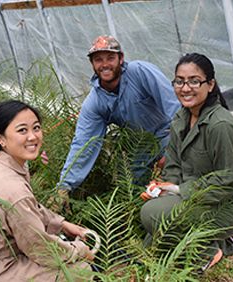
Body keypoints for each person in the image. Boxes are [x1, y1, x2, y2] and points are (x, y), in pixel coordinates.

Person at [0, 100, 94, 281]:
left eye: (36, 128)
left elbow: (30, 207)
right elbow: (41, 249)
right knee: (81, 270)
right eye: (22, 130)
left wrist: (62, 224)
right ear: (1, 138)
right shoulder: (11, 187)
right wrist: (80, 250)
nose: (33, 137)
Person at [140, 53, 233, 271]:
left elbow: (228, 181)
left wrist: (179, 189)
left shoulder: (221, 126)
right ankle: (224, 242)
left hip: (225, 205)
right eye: (179, 81)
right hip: (194, 198)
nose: (185, 88)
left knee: (151, 215)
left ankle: (210, 251)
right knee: (151, 243)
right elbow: (172, 163)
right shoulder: (181, 117)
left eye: (194, 81)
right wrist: (165, 189)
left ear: (210, 85)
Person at [54, 35, 181, 203]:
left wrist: (174, 150)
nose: (104, 64)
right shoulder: (95, 102)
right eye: (98, 60)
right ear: (92, 64)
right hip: (139, 147)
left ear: (121, 59)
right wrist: (64, 186)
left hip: (167, 134)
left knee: (174, 180)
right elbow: (84, 144)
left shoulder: (140, 72)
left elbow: (176, 107)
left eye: (110, 58)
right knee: (128, 190)